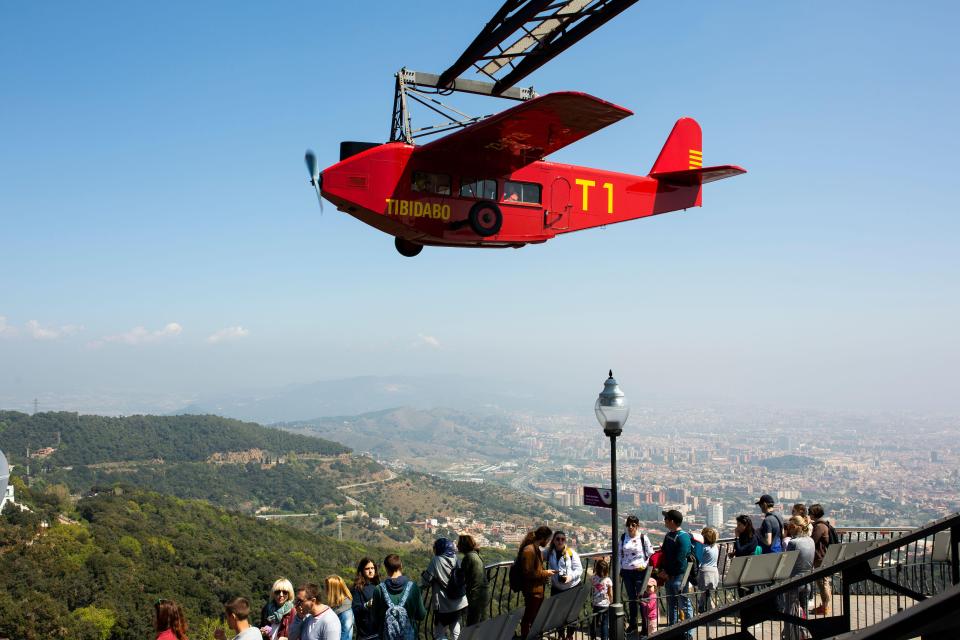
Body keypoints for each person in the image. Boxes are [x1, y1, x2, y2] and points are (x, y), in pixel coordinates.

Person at [422, 537, 468, 640]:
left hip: (443, 605)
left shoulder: (436, 560)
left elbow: (425, 581)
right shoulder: (457, 559)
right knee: (456, 629)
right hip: (459, 602)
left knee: (439, 633)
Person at [371, 554, 426, 640]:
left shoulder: (379, 589)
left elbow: (374, 619)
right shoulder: (413, 587)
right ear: (401, 566)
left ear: (386, 568)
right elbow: (421, 615)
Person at [517, 525, 556, 638]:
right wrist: (546, 573)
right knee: (528, 618)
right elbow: (528, 573)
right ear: (543, 538)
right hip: (532, 590)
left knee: (534, 617)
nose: (548, 542)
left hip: (537, 589)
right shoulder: (529, 550)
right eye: (548, 540)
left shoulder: (535, 549)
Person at [619, 514, 654, 636]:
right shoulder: (623, 537)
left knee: (642, 599)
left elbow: (650, 553)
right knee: (631, 599)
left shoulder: (643, 538)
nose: (630, 527)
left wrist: (644, 565)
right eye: (628, 525)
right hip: (627, 572)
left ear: (637, 526)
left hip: (640, 572)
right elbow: (619, 553)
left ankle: (644, 626)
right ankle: (633, 625)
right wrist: (620, 569)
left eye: (633, 525)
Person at [661, 509, 693, 640]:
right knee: (673, 604)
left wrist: (667, 572)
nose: (664, 520)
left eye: (666, 518)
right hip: (671, 576)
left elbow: (680, 560)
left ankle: (688, 633)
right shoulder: (670, 535)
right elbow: (664, 554)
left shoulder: (683, 537)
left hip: (679, 576)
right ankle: (673, 631)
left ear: (672, 522)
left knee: (683, 604)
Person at [783, 516, 816, 640]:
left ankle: (790, 637)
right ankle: (804, 635)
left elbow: (787, 563)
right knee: (805, 611)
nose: (789, 529)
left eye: (790, 526)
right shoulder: (811, 541)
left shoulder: (793, 543)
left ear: (796, 527)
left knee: (790, 613)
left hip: (793, 581)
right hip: (807, 580)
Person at [547, 531, 582, 640]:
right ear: (554, 540)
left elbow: (579, 569)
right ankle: (561, 635)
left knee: (572, 613)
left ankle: (570, 635)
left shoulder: (571, 553)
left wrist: (570, 577)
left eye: (562, 539)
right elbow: (537, 555)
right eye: (558, 539)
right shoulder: (549, 553)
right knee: (557, 614)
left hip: (572, 587)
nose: (560, 541)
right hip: (557, 588)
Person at [456, 534, 489, 627]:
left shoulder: (468, 558)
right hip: (483, 593)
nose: (457, 546)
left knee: (472, 626)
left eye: (459, 544)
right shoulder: (475, 555)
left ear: (463, 545)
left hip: (475, 596)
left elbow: (460, 578)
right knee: (481, 624)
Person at [809, 504, 834, 615]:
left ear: (814, 513)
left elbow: (812, 541)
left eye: (810, 512)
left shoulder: (819, 526)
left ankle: (825, 606)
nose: (809, 515)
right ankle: (825, 605)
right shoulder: (824, 524)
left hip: (820, 558)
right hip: (824, 556)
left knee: (823, 582)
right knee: (824, 581)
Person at [351, 557, 382, 640]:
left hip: (380, 633)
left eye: (372, 568)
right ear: (362, 571)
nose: (371, 571)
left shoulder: (378, 585)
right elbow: (355, 610)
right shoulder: (357, 588)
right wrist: (367, 605)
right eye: (367, 568)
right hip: (366, 635)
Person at [324, 575, 354, 640]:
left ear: (333, 590)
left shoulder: (346, 611)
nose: (325, 590)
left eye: (327, 587)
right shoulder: (336, 606)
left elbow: (345, 635)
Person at [697, 527, 720, 613]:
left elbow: (698, 558)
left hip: (705, 572)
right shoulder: (715, 547)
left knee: (704, 593)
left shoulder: (703, 548)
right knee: (708, 593)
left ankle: (705, 610)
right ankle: (706, 609)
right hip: (714, 571)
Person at [590, 558, 613, 640]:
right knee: (604, 623)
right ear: (607, 570)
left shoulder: (593, 578)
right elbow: (610, 593)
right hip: (605, 605)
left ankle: (592, 636)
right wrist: (611, 601)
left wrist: (595, 572)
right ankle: (604, 638)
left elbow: (591, 579)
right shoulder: (608, 580)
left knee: (594, 621)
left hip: (596, 603)